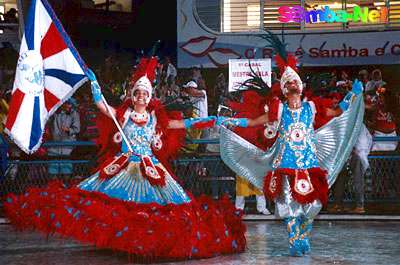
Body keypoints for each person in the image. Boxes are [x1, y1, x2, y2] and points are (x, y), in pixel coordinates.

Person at [4, 56, 245, 260]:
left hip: (150, 169)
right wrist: (95, 84)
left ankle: (146, 245)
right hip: (123, 168)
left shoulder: (155, 119)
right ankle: (122, 243)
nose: (141, 97)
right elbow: (102, 107)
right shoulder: (124, 114)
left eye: (145, 94)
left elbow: (184, 123)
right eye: (138, 93)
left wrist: (215, 120)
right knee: (110, 207)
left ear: (150, 97)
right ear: (133, 95)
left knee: (155, 210)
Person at [218, 62, 364, 256]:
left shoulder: (311, 108)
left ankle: (303, 233)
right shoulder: (278, 110)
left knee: (314, 205)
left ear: (301, 87)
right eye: (289, 82)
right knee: (288, 204)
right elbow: (254, 122)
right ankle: (295, 238)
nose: (293, 84)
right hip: (285, 166)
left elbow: (336, 113)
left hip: (309, 165)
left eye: (296, 81)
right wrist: (230, 121)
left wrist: (352, 96)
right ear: (285, 90)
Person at [47, 98, 80, 175]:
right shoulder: (54, 113)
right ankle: (53, 184)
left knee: (66, 168)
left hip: (67, 146)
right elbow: (47, 123)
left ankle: (65, 185)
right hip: (54, 146)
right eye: (67, 104)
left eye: (70, 104)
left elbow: (77, 129)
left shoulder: (74, 114)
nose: (68, 106)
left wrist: (69, 130)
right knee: (53, 168)